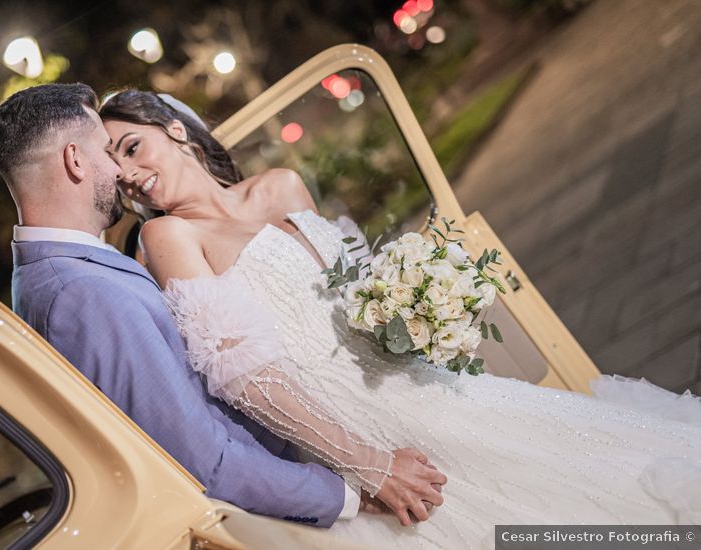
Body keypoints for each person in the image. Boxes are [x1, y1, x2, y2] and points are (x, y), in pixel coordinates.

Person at [99, 89, 701, 548]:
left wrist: (420, 308)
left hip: (426, 384)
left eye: (130, 147)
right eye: (113, 168)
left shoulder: (280, 185)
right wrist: (367, 463)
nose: (126, 173)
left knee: (597, 475)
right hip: (367, 429)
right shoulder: (166, 236)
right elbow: (239, 375)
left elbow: (359, 283)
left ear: (174, 128)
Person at [0, 83, 445, 533]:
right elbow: (204, 456)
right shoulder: (79, 292)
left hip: (371, 411)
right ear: (75, 160)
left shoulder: (71, 274)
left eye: (129, 148)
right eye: (108, 151)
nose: (121, 172)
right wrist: (350, 490)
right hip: (318, 463)